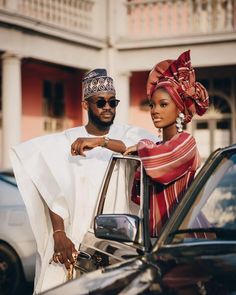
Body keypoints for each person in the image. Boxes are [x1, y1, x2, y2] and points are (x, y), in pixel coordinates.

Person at [10, 68, 158, 294]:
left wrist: (100, 142)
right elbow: (50, 186)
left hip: (116, 245)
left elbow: (146, 148)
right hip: (74, 241)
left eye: (112, 101)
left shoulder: (128, 134)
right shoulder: (66, 141)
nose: (108, 107)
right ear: (85, 105)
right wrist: (58, 234)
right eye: (100, 102)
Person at [124, 50, 209, 236]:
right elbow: (133, 152)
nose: (155, 111)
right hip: (157, 239)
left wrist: (140, 146)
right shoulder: (154, 147)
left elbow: (156, 164)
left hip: (187, 239)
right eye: (152, 105)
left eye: (163, 105)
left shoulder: (186, 143)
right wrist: (101, 141)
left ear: (179, 108)